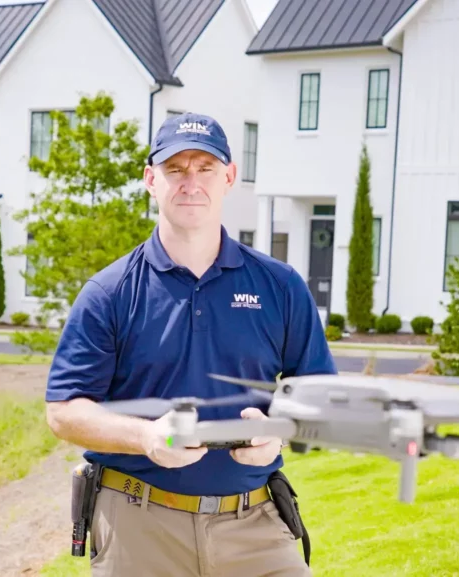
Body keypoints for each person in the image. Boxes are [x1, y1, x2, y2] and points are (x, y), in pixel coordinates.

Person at [45, 112, 337, 576]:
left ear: (229, 177)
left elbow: (321, 398)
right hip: (139, 525)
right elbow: (63, 412)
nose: (191, 183)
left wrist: (279, 431)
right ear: (151, 180)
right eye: (175, 169)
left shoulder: (280, 286)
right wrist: (146, 438)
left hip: (255, 523)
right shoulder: (110, 292)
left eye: (205, 168)